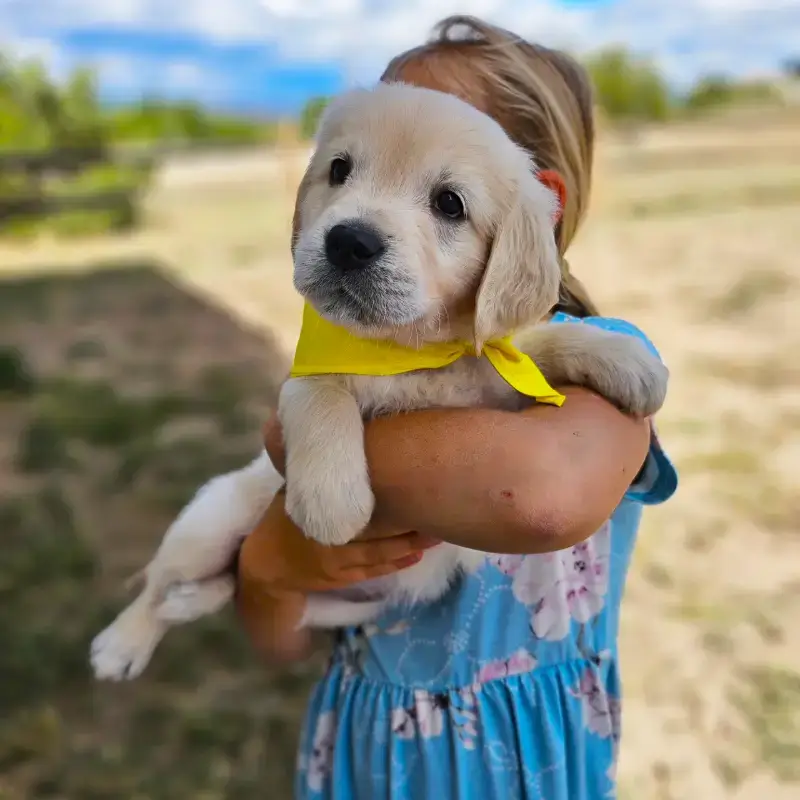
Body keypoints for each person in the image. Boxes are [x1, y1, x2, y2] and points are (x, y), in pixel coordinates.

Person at [236, 15, 677, 800]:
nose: (358, 226)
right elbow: (279, 648)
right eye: (346, 167)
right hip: (366, 756)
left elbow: (540, 496)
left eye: (445, 200)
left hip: (525, 762)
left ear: (534, 209)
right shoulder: (341, 369)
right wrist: (268, 573)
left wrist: (300, 430)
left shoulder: (599, 361)